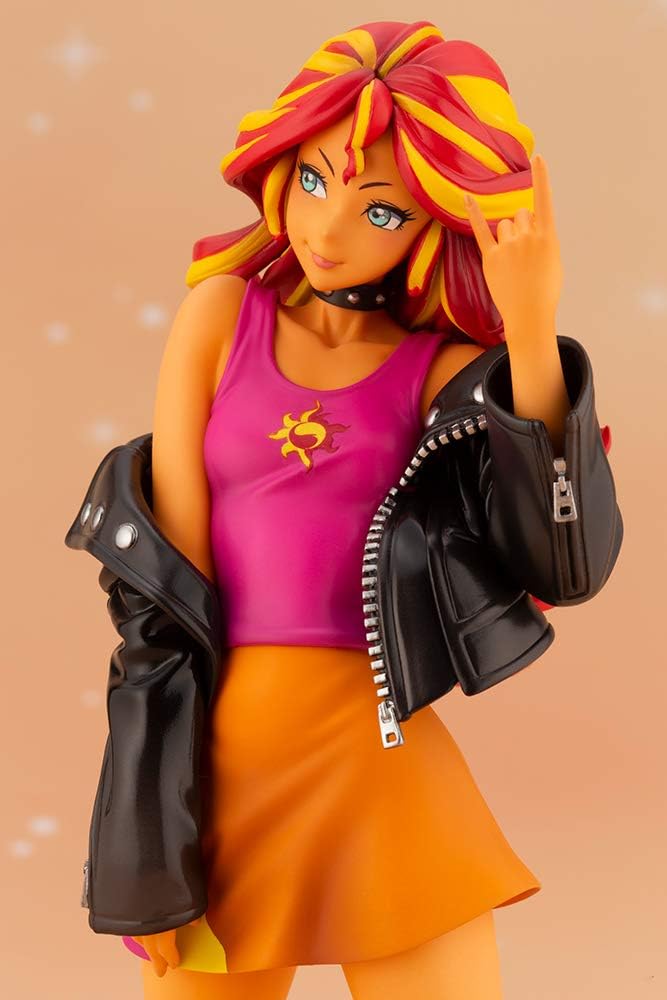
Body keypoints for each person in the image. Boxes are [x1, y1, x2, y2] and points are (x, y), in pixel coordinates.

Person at [68, 19, 621, 1000]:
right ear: (278, 167)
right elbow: (164, 597)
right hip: (223, 771)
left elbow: (564, 566)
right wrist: (145, 833)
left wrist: (532, 329)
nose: (326, 232)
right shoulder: (218, 318)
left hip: (378, 761)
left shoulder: (443, 376)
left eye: (380, 210)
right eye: (314, 180)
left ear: (431, 224)